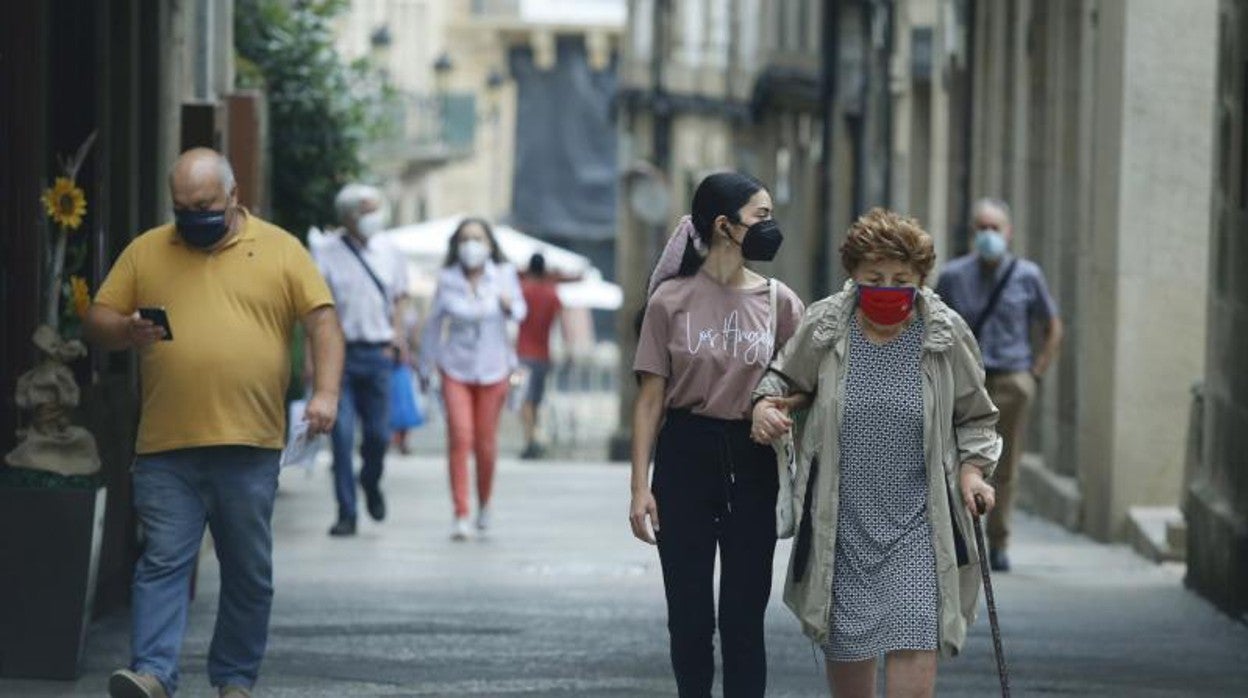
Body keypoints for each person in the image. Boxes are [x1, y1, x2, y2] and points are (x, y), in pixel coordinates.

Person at [85, 148, 344, 698]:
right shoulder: (147, 251)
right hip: (166, 446)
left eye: (203, 205)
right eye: (181, 207)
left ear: (232, 196)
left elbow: (322, 320)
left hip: (249, 444)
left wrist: (325, 393)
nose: (192, 216)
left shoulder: (280, 249)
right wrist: (125, 329)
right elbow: (98, 320)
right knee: (161, 563)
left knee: (248, 573)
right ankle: (153, 673)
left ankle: (234, 680)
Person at [750, 208, 1000, 698]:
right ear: (854, 276)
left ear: (920, 279)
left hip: (918, 531)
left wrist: (973, 473)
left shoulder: (943, 336)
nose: (888, 287)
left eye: (901, 278)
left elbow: (976, 417)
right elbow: (782, 378)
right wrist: (764, 406)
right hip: (842, 533)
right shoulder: (826, 327)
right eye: (875, 277)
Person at [630, 172, 804, 697]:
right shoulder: (670, 301)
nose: (770, 227)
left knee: (743, 620)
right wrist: (640, 488)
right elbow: (650, 401)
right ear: (725, 226)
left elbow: (807, 385)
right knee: (689, 619)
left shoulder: (780, 303)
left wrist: (771, 405)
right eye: (762, 216)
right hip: (683, 457)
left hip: (752, 460)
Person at [935, 197, 1063, 572]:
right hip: (966, 382)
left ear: (1009, 232)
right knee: (959, 459)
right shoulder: (954, 275)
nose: (989, 235)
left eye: (996, 228)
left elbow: (1052, 325)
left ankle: (1000, 541)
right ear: (972, 233)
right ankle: (960, 538)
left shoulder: (1027, 275)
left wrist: (1035, 372)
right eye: (982, 228)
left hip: (1011, 379)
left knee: (1004, 464)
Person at [419, 217, 526, 541]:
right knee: (460, 437)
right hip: (456, 368)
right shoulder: (447, 279)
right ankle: (461, 512)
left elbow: (521, 312)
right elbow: (434, 325)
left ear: (490, 245)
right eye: (465, 239)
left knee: (485, 443)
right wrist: (426, 366)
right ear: (457, 245)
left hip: (495, 368)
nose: (471, 245)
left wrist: (509, 305)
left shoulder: (504, 275)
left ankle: (485, 503)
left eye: (478, 238)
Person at [312, 183, 409, 537]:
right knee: (341, 437)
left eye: (375, 209)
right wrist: (314, 359)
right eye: (365, 210)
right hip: (340, 355)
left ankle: (370, 480)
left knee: (380, 435)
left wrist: (397, 336)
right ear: (348, 216)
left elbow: (400, 297)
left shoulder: (391, 250)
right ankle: (346, 512)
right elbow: (318, 310)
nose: (373, 217)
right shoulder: (325, 251)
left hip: (378, 353)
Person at [516, 252, 563, 459]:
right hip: (544, 355)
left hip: (523, 353)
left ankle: (530, 440)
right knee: (536, 399)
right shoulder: (553, 295)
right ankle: (535, 436)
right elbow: (559, 327)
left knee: (525, 399)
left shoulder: (522, 291)